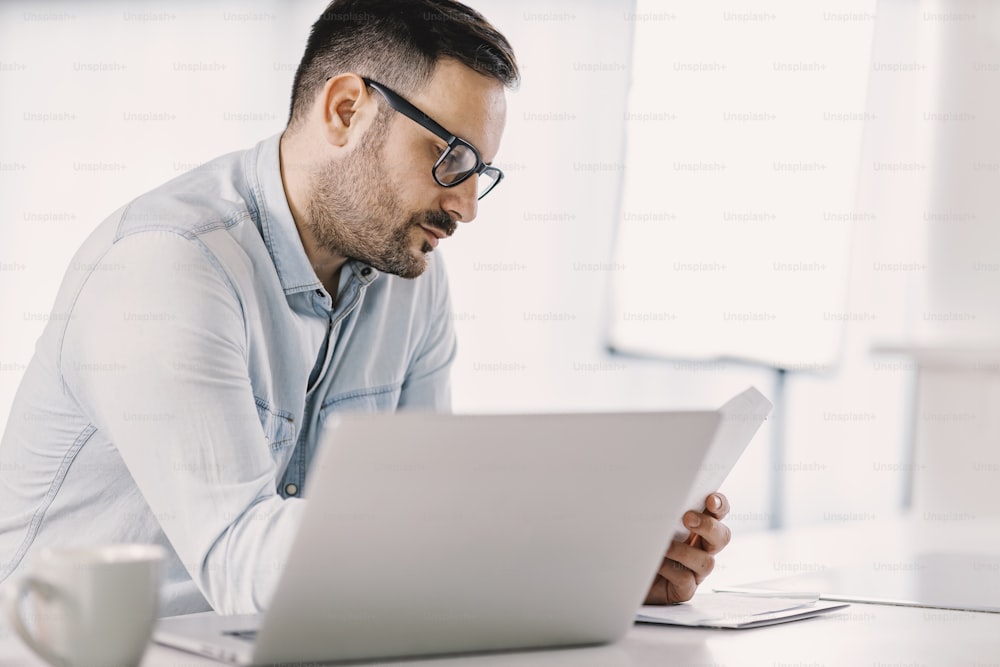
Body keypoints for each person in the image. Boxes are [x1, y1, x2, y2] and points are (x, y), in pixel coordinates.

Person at [0, 0, 730, 616]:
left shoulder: (410, 277)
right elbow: (240, 563)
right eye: (451, 157)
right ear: (346, 109)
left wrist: (599, 572)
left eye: (482, 172)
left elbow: (417, 520)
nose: (468, 206)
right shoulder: (168, 267)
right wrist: (548, 544)